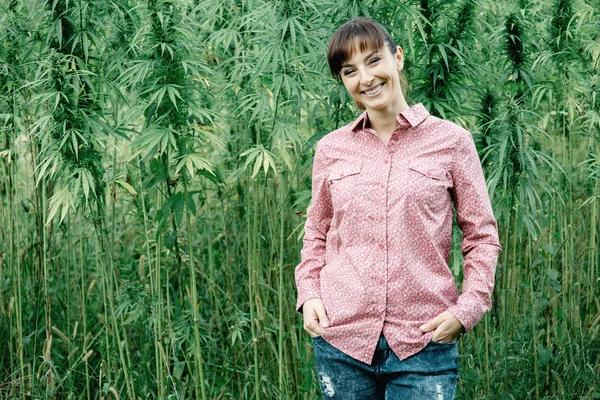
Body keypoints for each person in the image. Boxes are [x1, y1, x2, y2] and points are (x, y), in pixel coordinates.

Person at [294, 17, 502, 399]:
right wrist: (308, 294)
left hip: (423, 343)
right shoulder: (331, 149)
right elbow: (317, 232)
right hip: (342, 341)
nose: (365, 78)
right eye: (349, 70)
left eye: (374, 61)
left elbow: (482, 236)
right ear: (342, 80)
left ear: (398, 57)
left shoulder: (452, 142)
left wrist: (468, 309)